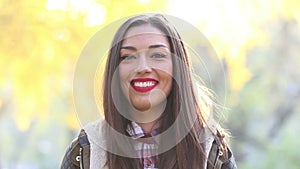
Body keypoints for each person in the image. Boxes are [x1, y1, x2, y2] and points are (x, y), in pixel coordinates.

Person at [60, 13, 237, 169]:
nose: (143, 67)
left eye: (157, 55)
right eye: (128, 56)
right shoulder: (86, 151)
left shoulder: (211, 149)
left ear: (178, 67)